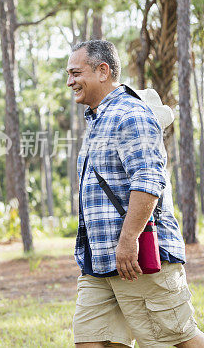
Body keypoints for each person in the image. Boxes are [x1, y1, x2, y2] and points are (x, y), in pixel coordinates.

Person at [67, 40, 204, 347]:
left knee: (175, 340)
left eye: (76, 72)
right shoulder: (98, 119)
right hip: (99, 262)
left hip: (137, 256)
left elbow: (148, 179)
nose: (69, 81)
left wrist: (128, 241)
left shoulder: (130, 114)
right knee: (93, 341)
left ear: (103, 71)